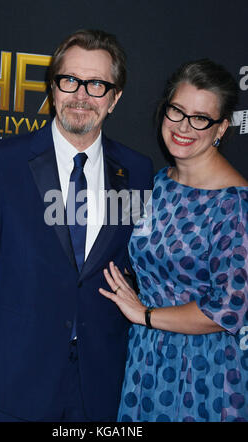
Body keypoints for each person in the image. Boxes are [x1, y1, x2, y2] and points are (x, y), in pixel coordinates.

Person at [0, 29, 153, 422]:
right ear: (53, 88)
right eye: (70, 81)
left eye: (97, 84)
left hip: (102, 380)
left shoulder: (138, 171)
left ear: (114, 99)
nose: (81, 95)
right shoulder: (1, 163)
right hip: (15, 375)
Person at [100, 59, 248, 422]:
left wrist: (145, 314)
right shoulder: (161, 181)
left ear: (221, 128)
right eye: (177, 111)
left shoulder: (235, 203)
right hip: (146, 357)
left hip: (204, 370)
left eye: (200, 118)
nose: (184, 127)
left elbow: (227, 310)